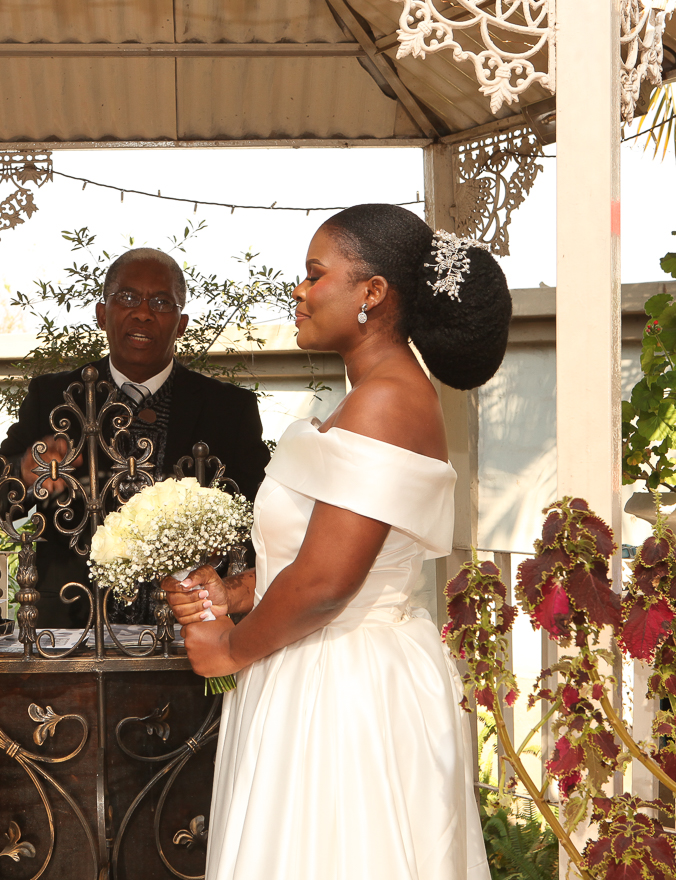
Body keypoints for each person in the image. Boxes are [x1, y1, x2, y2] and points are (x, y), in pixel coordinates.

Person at [167, 204, 510, 879]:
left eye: (315, 273)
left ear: (371, 292)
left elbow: (328, 583)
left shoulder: (386, 401)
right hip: (319, 663)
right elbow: (324, 552)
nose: (298, 290)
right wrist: (239, 592)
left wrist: (229, 649)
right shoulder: (370, 396)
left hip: (345, 686)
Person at [0, 247, 271, 628]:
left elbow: (263, 518)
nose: (143, 312)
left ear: (181, 324)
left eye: (161, 302)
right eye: (127, 298)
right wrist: (25, 473)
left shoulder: (228, 409)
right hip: (71, 624)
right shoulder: (52, 397)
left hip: (189, 624)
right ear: (102, 314)